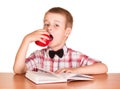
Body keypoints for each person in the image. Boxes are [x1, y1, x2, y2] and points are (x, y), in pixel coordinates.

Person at [13, 7, 108, 74]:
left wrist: (76, 70)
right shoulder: (38, 56)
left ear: (67, 32)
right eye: (46, 24)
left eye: (56, 25)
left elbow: (103, 67)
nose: (49, 28)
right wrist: (26, 40)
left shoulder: (75, 56)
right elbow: (18, 70)